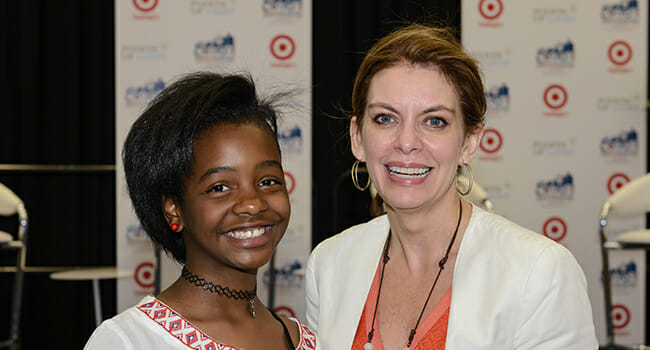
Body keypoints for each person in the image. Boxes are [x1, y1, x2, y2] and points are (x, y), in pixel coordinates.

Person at [305, 24, 597, 349]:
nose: (406, 142)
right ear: (357, 138)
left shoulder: (541, 273)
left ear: (469, 143)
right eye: (386, 118)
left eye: (434, 121)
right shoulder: (329, 266)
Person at [85, 72, 317, 350]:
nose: (253, 203)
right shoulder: (129, 341)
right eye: (220, 187)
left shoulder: (309, 340)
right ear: (174, 209)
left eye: (268, 181)